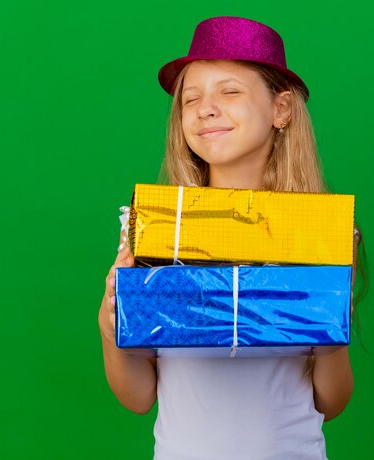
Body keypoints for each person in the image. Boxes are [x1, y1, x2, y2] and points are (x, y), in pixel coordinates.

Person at [99, 16, 358, 460]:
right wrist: (109, 320)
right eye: (191, 99)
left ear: (282, 109)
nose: (205, 108)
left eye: (230, 91)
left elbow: (330, 401)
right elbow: (139, 398)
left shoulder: (316, 233)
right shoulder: (159, 230)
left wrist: (332, 312)